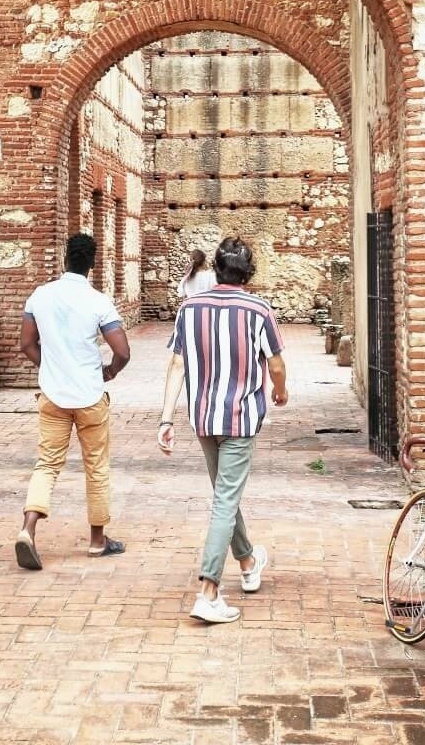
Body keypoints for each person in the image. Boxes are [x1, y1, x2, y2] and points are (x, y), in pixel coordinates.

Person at [157, 236, 288, 624]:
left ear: (216, 268)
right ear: (248, 272)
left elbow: (177, 365)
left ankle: (248, 563)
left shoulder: (189, 308)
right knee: (225, 500)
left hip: (202, 417)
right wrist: (280, 391)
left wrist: (166, 418)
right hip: (240, 417)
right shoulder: (258, 309)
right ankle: (208, 591)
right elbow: (276, 364)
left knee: (223, 495)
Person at [15, 232, 131, 570]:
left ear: (65, 258)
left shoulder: (40, 295)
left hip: (52, 394)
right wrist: (109, 371)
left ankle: (28, 529)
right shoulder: (98, 301)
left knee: (47, 464)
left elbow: (26, 344)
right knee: (96, 467)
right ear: (91, 264)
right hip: (90, 396)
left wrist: (52, 367)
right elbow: (122, 351)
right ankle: (97, 542)